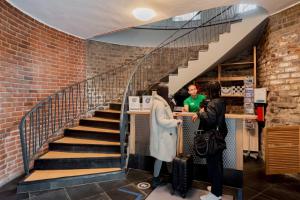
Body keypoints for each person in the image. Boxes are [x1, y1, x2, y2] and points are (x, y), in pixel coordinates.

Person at [192, 81, 228, 200]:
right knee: (217, 164)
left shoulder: (212, 103)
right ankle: (216, 188)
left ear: (209, 91)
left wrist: (201, 113)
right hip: (219, 136)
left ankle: (215, 195)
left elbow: (210, 120)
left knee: (214, 165)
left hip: (212, 137)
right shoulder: (221, 101)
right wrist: (200, 112)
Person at [150, 83, 182, 188]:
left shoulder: (158, 102)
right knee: (166, 157)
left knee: (161, 157)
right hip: (163, 135)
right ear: (162, 92)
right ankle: (170, 178)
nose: (168, 93)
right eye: (166, 91)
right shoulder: (159, 104)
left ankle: (158, 178)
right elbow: (161, 120)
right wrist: (175, 122)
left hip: (162, 135)